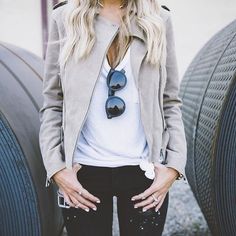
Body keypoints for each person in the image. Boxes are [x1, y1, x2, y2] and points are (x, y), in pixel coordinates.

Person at [38, 0, 187, 235]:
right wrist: (56, 168)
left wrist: (173, 166)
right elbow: (53, 103)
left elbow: (170, 101)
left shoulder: (159, 19)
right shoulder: (65, 18)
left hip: (145, 171)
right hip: (82, 172)